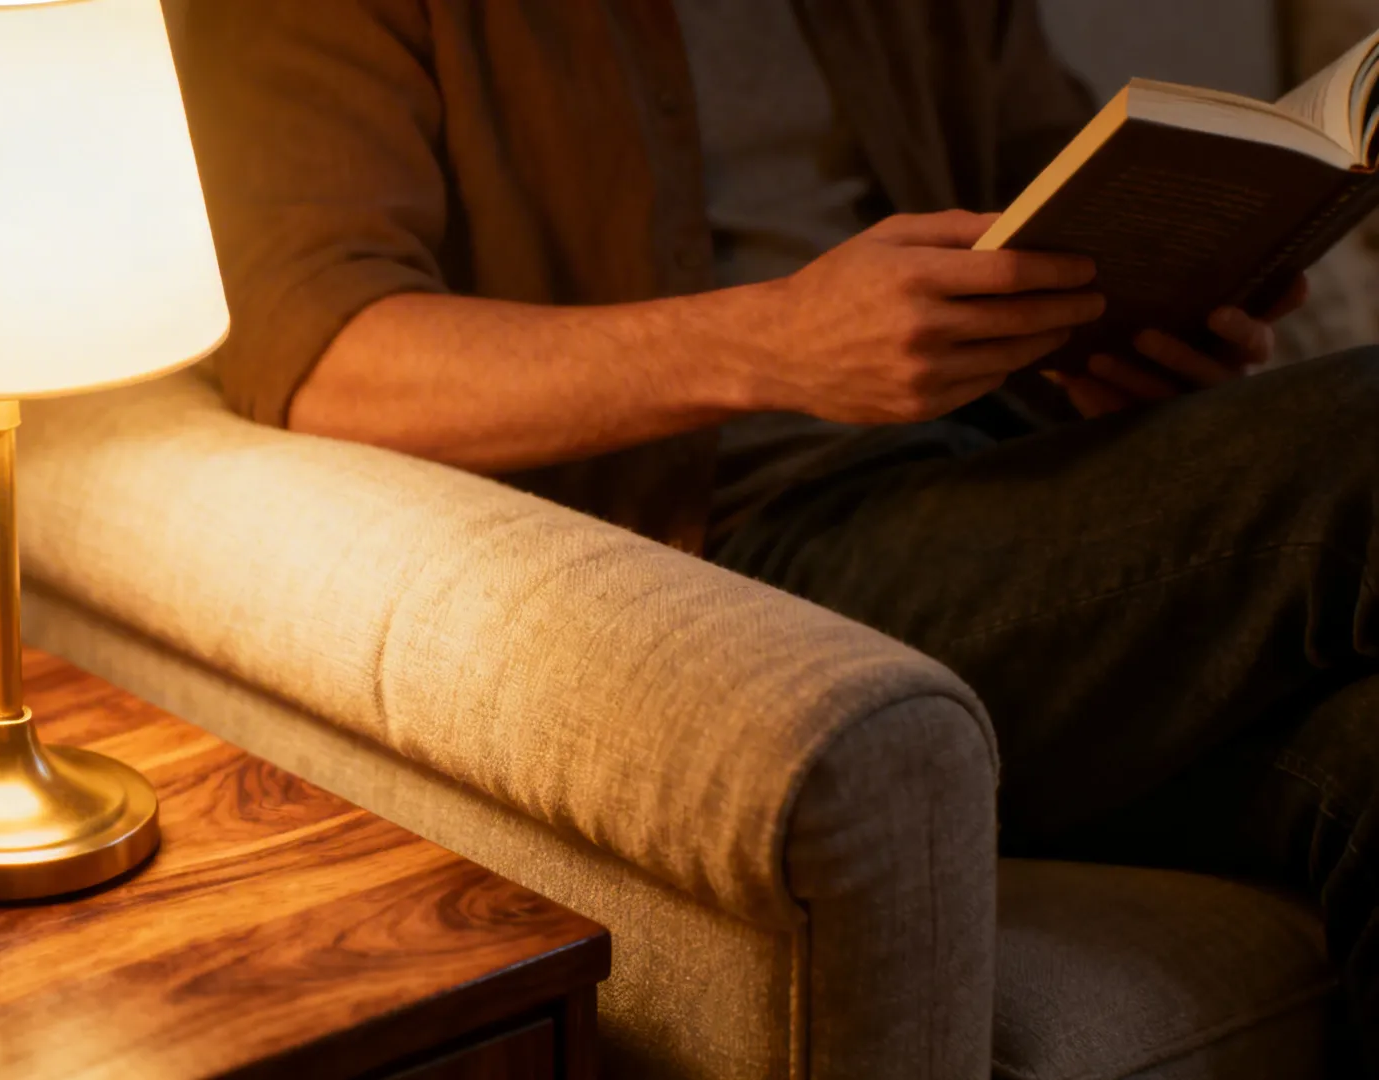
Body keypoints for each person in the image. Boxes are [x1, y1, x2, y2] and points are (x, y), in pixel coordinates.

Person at [180, 0, 1378, 1068]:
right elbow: (327, 357)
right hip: (735, 559)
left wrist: (1140, 323)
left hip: (1005, 475)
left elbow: (1052, 174)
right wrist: (773, 343)